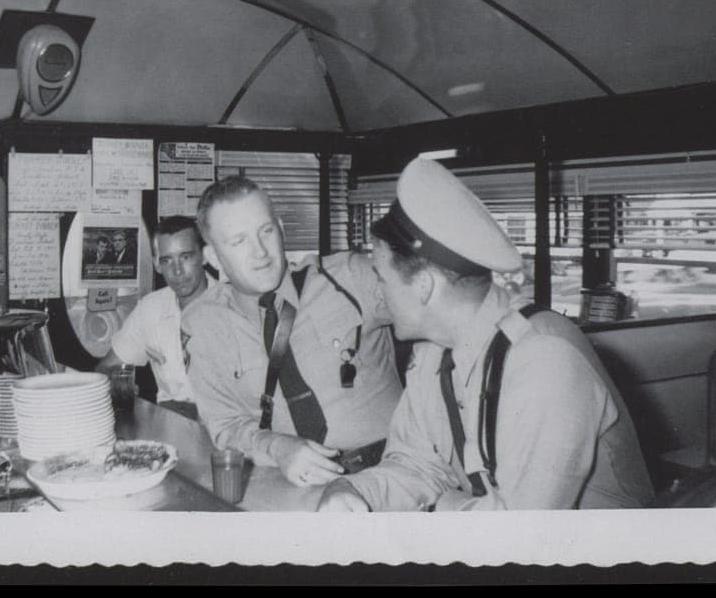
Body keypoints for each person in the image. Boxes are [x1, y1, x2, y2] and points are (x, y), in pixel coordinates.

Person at [317, 157, 654, 512]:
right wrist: (351, 491)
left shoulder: (543, 360)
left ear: (423, 287)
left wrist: (440, 507)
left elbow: (518, 535)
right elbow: (416, 466)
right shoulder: (433, 353)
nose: (378, 293)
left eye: (381, 278)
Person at [183, 176, 403, 487]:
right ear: (213, 258)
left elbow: (437, 315)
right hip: (295, 488)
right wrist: (277, 447)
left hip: (392, 476)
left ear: (282, 230)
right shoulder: (205, 325)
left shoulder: (350, 278)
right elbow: (226, 426)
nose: (260, 252)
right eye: (239, 241)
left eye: (266, 231)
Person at [96, 216, 216, 418]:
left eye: (186, 257)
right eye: (167, 260)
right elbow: (106, 368)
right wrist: (117, 383)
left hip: (223, 424)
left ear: (204, 256)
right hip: (172, 420)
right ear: (156, 265)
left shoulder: (232, 306)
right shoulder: (152, 308)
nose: (177, 271)